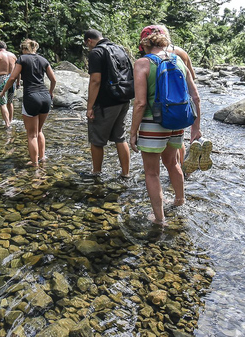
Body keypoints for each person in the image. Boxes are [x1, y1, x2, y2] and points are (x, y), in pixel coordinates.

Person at [129, 27, 201, 224]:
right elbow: (195, 96)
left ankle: (159, 219)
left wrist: (133, 132)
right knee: (173, 163)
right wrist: (196, 127)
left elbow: (140, 103)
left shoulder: (142, 64)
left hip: (153, 123)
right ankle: (180, 201)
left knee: (152, 173)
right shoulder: (178, 60)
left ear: (144, 44)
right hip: (176, 121)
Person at [139, 25, 210, 174]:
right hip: (182, 103)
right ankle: (181, 168)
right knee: (177, 138)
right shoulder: (180, 53)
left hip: (160, 106)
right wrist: (196, 125)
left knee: (155, 165)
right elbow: (191, 80)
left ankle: (172, 168)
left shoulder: (148, 59)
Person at [0, 39, 56, 167]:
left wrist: (3, 91)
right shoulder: (43, 60)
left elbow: (13, 77)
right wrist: (51, 92)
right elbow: (53, 79)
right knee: (40, 131)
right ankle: (42, 158)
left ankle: (34, 163)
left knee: (32, 134)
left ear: (24, 49)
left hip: (31, 97)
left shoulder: (22, 59)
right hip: (45, 97)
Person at [84, 29, 131, 177]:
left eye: (87, 45)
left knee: (97, 140)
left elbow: (95, 80)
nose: (88, 47)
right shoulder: (119, 48)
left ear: (89, 40)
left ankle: (96, 173)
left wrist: (90, 107)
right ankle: (126, 173)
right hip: (123, 98)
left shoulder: (96, 53)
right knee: (120, 137)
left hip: (106, 102)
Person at [0, 41, 17, 128]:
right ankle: (11, 121)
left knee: (2, 102)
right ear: (5, 47)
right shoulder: (13, 56)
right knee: (10, 101)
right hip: (12, 79)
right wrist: (19, 82)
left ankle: (7, 124)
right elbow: (18, 70)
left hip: (3, 79)